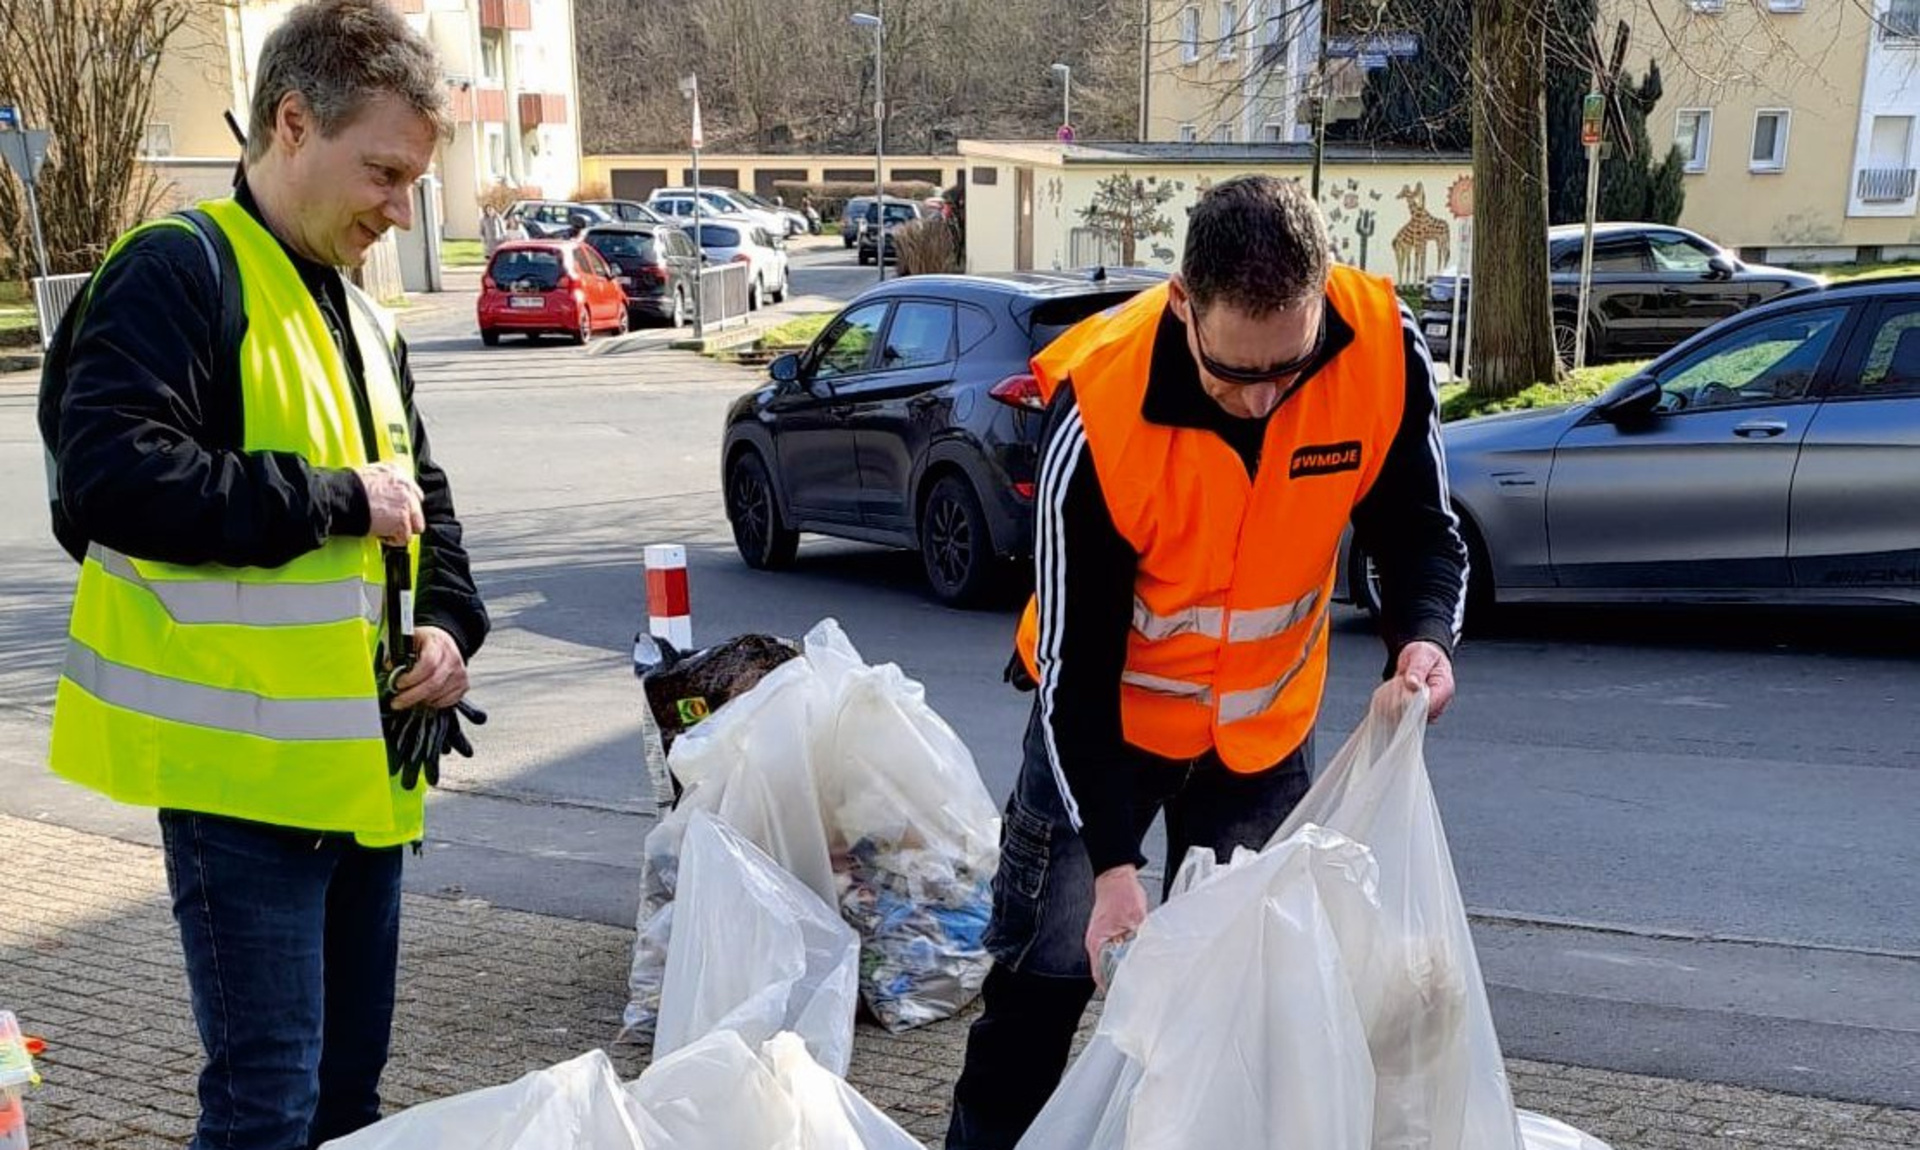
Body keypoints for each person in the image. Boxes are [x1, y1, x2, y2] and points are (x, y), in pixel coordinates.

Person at [41, 1, 488, 1147]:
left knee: (345, 1104)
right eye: (384, 173)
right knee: (264, 1104)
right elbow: (112, 478)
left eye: (413, 183)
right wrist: (334, 497)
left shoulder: (360, 310)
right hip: (242, 791)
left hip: (362, 781)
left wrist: (448, 629)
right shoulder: (179, 271)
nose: (399, 209)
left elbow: (423, 501)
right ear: (294, 122)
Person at [944, 174, 1468, 1150]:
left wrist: (1424, 634)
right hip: (1106, 736)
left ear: (1323, 294)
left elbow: (1419, 532)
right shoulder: (1099, 417)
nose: (1265, 400)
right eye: (1236, 375)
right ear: (1183, 303)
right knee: (1044, 980)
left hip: (1260, 743)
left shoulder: (1383, 354)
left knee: (1249, 999)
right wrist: (1111, 868)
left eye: (1290, 368)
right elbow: (1077, 673)